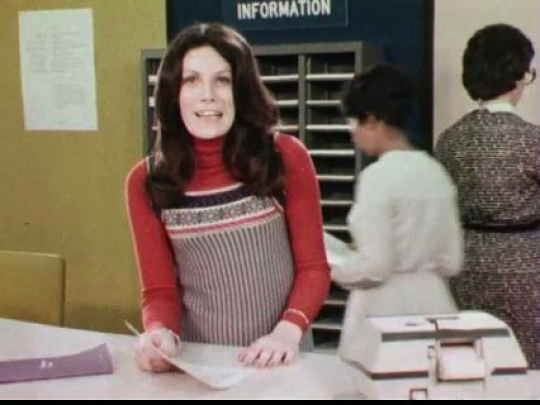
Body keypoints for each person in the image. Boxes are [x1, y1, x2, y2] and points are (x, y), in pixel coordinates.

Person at [125, 23, 330, 372]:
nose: (208, 95)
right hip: (201, 368)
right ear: (174, 93)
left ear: (242, 90)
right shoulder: (145, 181)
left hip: (279, 357)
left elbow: (313, 269)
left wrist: (286, 333)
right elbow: (159, 292)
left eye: (222, 80)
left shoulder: (285, 157)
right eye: (191, 80)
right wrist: (159, 333)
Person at [331, 64, 463, 366]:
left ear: (372, 120)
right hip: (435, 304)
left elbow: (376, 266)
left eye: (354, 123)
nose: (353, 136)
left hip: (385, 309)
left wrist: (334, 267)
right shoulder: (435, 172)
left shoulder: (378, 177)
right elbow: (453, 260)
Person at [435, 23, 540, 369]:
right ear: (519, 76)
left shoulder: (449, 139)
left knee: (477, 362)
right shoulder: (531, 140)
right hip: (526, 273)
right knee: (526, 366)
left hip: (466, 268)